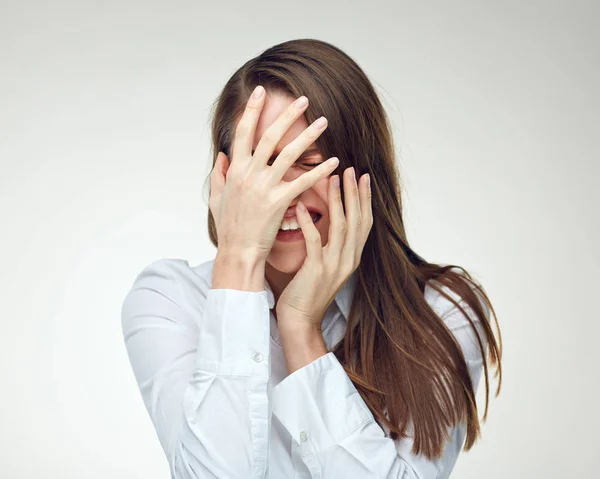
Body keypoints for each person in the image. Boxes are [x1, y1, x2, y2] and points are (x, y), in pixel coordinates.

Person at [121, 38, 503, 479]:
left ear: (365, 173)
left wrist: (301, 328)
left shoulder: (439, 312)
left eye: (308, 162)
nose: (283, 191)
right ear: (226, 178)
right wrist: (239, 257)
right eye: (262, 163)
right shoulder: (168, 302)